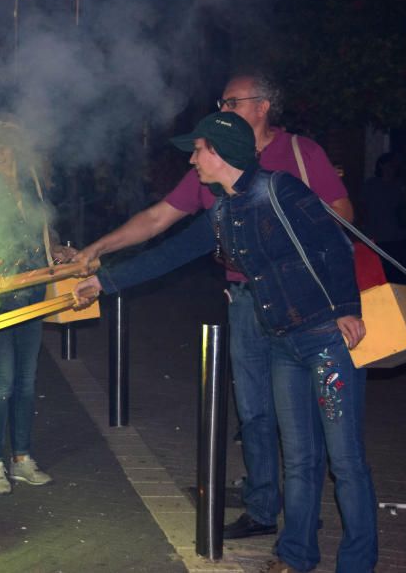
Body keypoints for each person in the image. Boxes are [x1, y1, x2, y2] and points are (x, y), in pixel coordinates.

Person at [74, 111, 376, 573]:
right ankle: (296, 555)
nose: (192, 161)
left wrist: (347, 308)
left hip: (325, 340)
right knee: (298, 458)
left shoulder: (280, 189)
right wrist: (104, 283)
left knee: (346, 460)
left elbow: (334, 243)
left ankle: (357, 564)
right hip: (281, 344)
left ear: (218, 152)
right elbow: (169, 253)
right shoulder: (221, 211)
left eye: (197, 151)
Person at [0, 113, 75, 496]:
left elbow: (44, 227)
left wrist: (58, 249)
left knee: (27, 381)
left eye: (2, 144)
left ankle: (23, 458)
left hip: (31, 292)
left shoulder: (32, 182)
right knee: (2, 380)